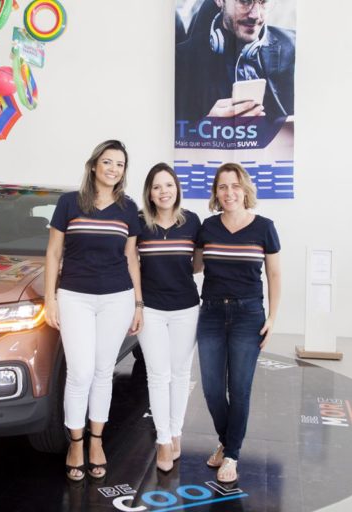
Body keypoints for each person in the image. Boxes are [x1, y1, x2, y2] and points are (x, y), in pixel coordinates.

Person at [44, 140, 144, 482]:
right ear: (93, 166)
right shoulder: (69, 203)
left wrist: (138, 303)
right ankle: (76, 443)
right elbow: (53, 254)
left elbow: (132, 258)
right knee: (80, 373)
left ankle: (97, 440)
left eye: (119, 164)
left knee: (103, 372)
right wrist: (50, 298)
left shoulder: (128, 209)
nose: (113, 169)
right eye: (107, 162)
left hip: (117, 297)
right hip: (75, 296)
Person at [196, 162, 281, 484]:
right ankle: (226, 439)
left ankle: (231, 454)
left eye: (234, 186)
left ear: (245, 189)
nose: (228, 192)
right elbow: (194, 265)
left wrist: (272, 317)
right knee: (212, 389)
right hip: (212, 313)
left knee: (239, 389)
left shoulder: (264, 227)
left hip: (248, 315)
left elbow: (274, 274)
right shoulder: (208, 227)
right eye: (222, 187)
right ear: (216, 193)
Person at [136, 163, 202, 472]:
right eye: (157, 186)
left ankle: (176, 433)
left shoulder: (192, 222)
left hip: (186, 308)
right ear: (149, 192)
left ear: (177, 189)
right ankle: (163, 439)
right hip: (151, 309)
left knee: (180, 376)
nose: (164, 191)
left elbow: (198, 264)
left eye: (169, 185)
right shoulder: (140, 224)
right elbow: (129, 262)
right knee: (158, 376)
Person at [175, 0, 295, 121]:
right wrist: (207, 129)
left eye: (264, 2)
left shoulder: (296, 48)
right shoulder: (180, 63)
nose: (256, 15)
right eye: (245, 1)